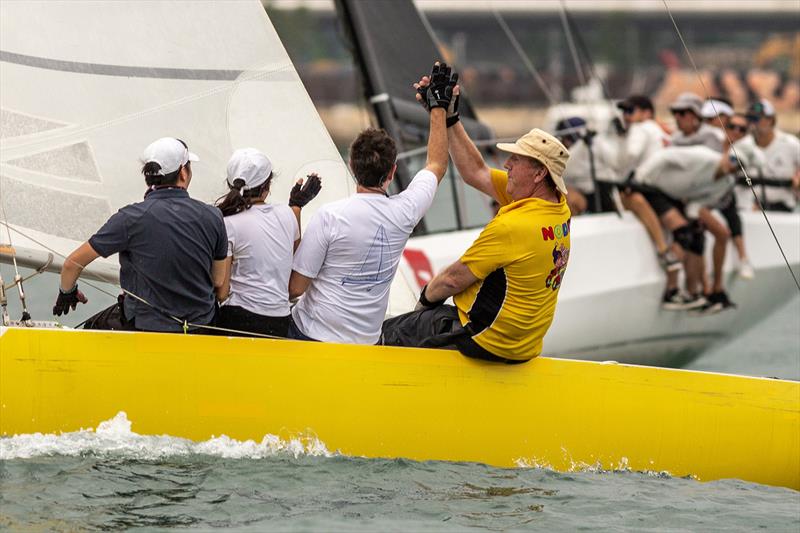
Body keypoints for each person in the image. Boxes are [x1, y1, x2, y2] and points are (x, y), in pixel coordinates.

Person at [382, 87, 572, 363]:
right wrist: (451, 118)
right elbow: (476, 172)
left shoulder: (514, 226)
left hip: (484, 341)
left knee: (388, 333)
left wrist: (421, 308)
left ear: (540, 173)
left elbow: (452, 279)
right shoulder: (557, 207)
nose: (507, 164)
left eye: (515, 160)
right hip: (523, 347)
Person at [286, 62, 455, 344]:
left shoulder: (330, 216)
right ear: (391, 173)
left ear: (352, 166)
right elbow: (437, 164)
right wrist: (438, 106)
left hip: (311, 338)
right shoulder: (405, 212)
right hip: (366, 343)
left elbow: (295, 288)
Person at [53, 137, 227, 332]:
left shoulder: (130, 217)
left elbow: (71, 264)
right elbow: (218, 280)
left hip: (145, 327)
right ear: (184, 173)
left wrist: (67, 292)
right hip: (200, 328)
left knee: (91, 328)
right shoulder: (213, 216)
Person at [214, 148, 321, 337]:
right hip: (278, 320)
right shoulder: (288, 215)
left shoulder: (227, 223)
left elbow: (222, 293)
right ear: (267, 187)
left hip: (237, 318)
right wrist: (296, 205)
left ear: (231, 184)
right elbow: (295, 260)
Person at [631, 145, 741, 313]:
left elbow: (695, 205)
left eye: (739, 166)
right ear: (726, 154)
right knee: (682, 233)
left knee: (696, 232)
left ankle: (694, 293)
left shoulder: (724, 184)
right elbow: (664, 156)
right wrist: (641, 177)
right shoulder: (704, 157)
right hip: (649, 186)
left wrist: (695, 218)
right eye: (733, 160)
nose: (733, 166)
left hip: (672, 197)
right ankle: (671, 291)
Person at [615, 94, 682, 277]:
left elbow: (629, 156)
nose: (626, 116)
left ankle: (662, 250)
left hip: (647, 190)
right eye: (623, 112)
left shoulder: (640, 128)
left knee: (631, 197)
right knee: (685, 234)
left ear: (646, 113)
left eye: (630, 111)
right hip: (668, 189)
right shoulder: (661, 130)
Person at [736, 99, 800, 212]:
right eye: (750, 118)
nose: (754, 123)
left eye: (758, 118)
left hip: (783, 208)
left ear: (771, 120)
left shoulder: (791, 144)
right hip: (748, 208)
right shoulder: (742, 145)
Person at [715, 113, 754, 278]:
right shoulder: (713, 139)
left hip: (726, 196)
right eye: (732, 127)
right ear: (725, 126)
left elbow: (728, 168)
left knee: (730, 208)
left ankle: (743, 258)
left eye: (742, 129)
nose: (736, 131)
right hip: (702, 191)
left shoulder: (746, 148)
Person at [554, 116, 618, 215]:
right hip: (582, 193)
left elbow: (614, 162)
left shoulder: (590, 145)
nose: (561, 142)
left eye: (564, 138)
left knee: (565, 195)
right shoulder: (570, 152)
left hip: (599, 195)